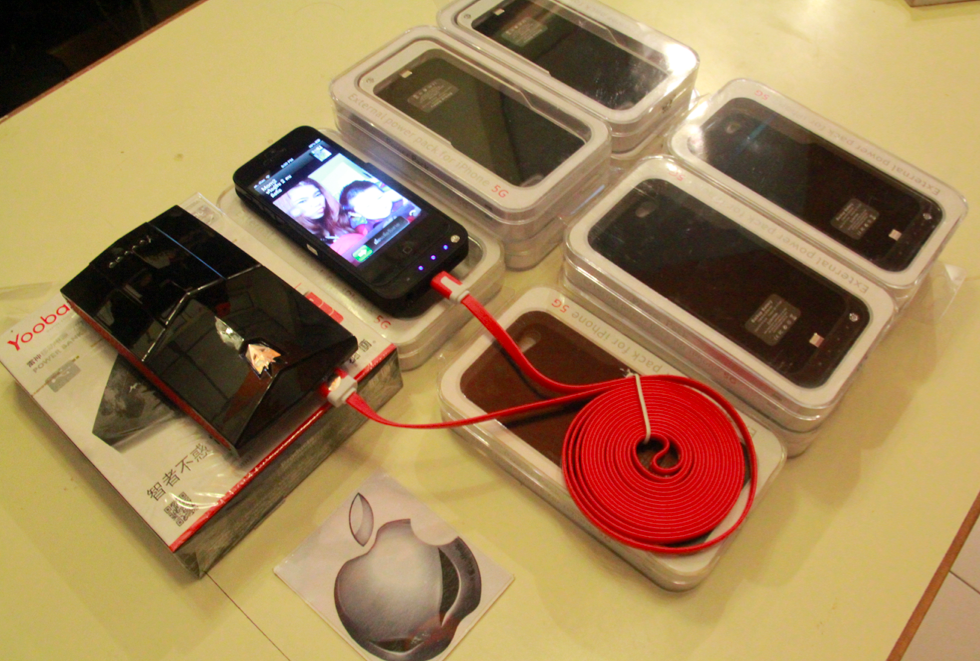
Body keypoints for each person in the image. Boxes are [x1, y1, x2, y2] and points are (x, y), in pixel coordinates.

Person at [275, 178, 348, 241]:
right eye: (303, 201)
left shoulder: (343, 218)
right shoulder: (302, 237)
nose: (316, 203)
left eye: (317, 195)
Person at [339, 180, 419, 234]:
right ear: (355, 214)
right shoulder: (370, 230)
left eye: (379, 197)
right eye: (368, 206)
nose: (378, 205)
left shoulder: (401, 200)